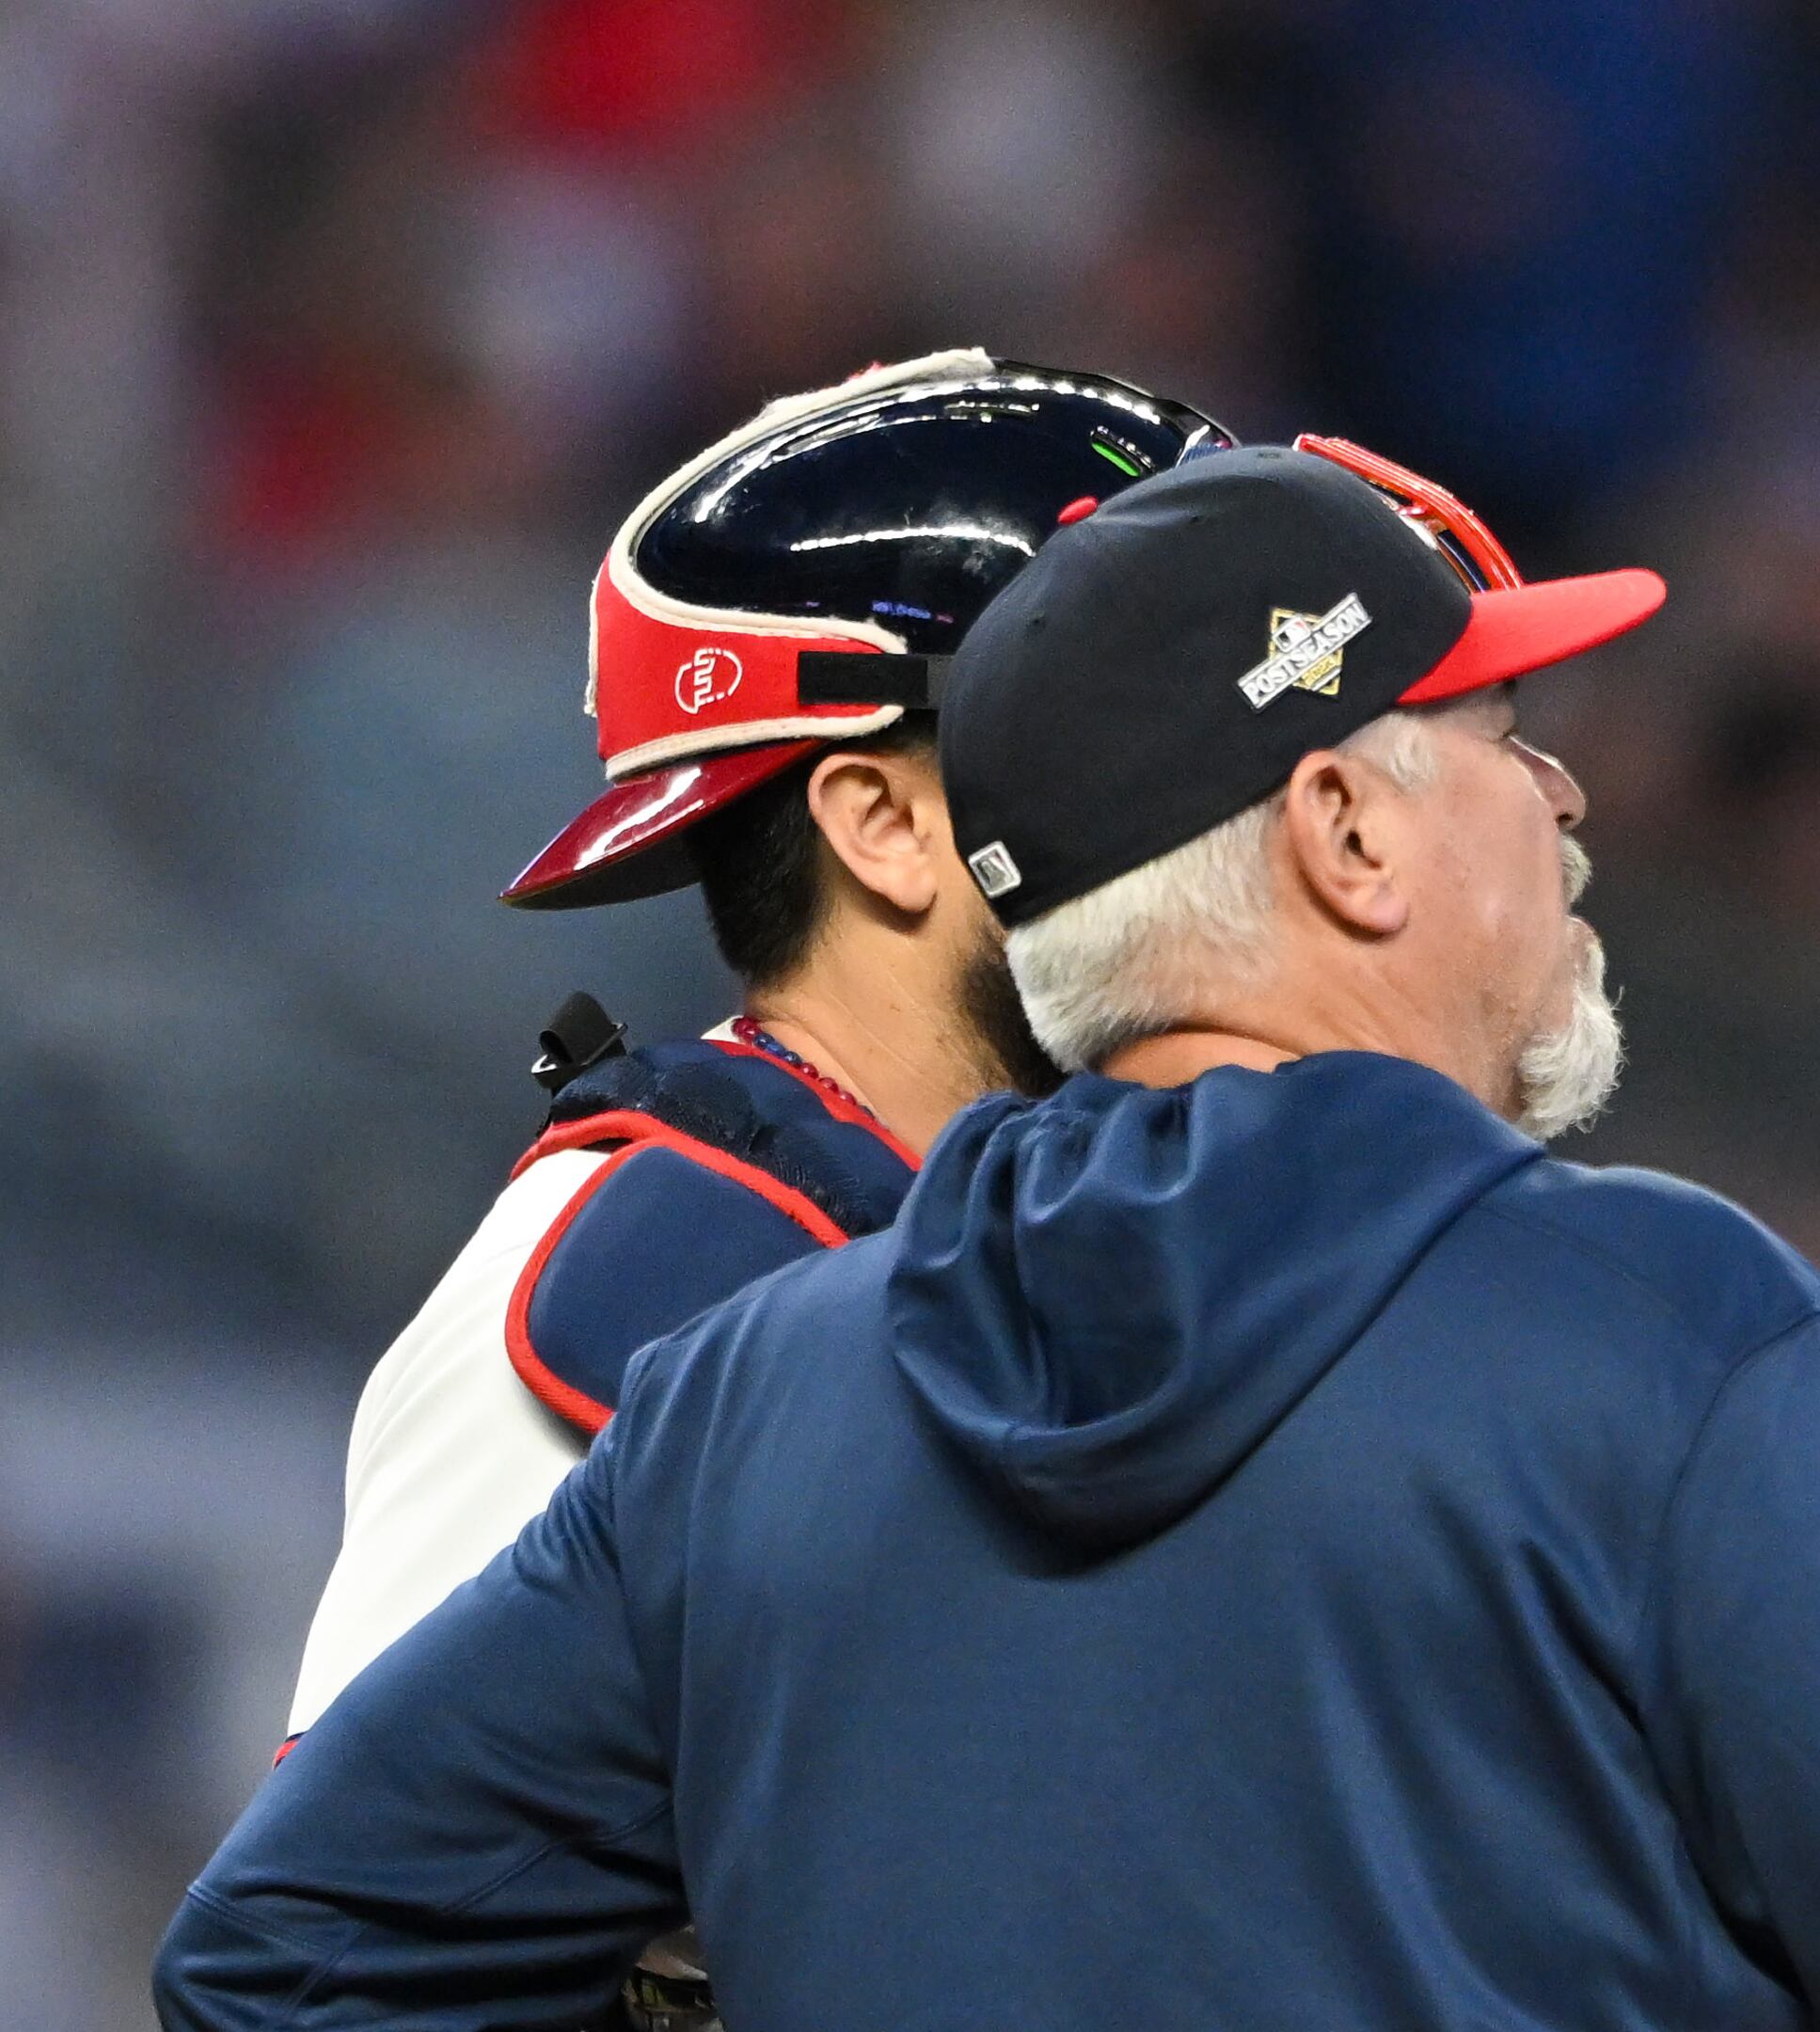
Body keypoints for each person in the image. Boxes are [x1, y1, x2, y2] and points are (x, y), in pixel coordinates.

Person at [154, 446, 1820, 2032]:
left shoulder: (746, 1402)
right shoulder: (1659, 1330)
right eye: (1496, 727)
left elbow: (284, 1962)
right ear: (1344, 829)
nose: (1561, 788)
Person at [275, 351, 1232, 2027]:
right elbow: (339, 1974)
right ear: (885, 823)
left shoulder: (1143, 1239)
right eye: (1148, 727)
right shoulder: (623, 1298)